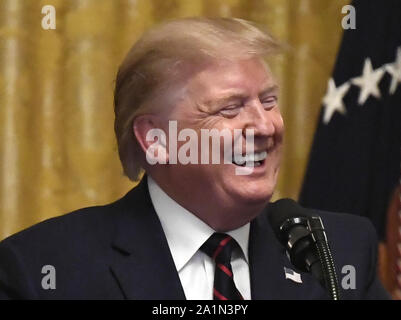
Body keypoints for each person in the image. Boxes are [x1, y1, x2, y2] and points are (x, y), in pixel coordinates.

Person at [0, 17, 389, 300]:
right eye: (230, 109)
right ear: (156, 140)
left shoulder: (337, 251)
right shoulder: (45, 270)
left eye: (269, 101)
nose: (265, 126)